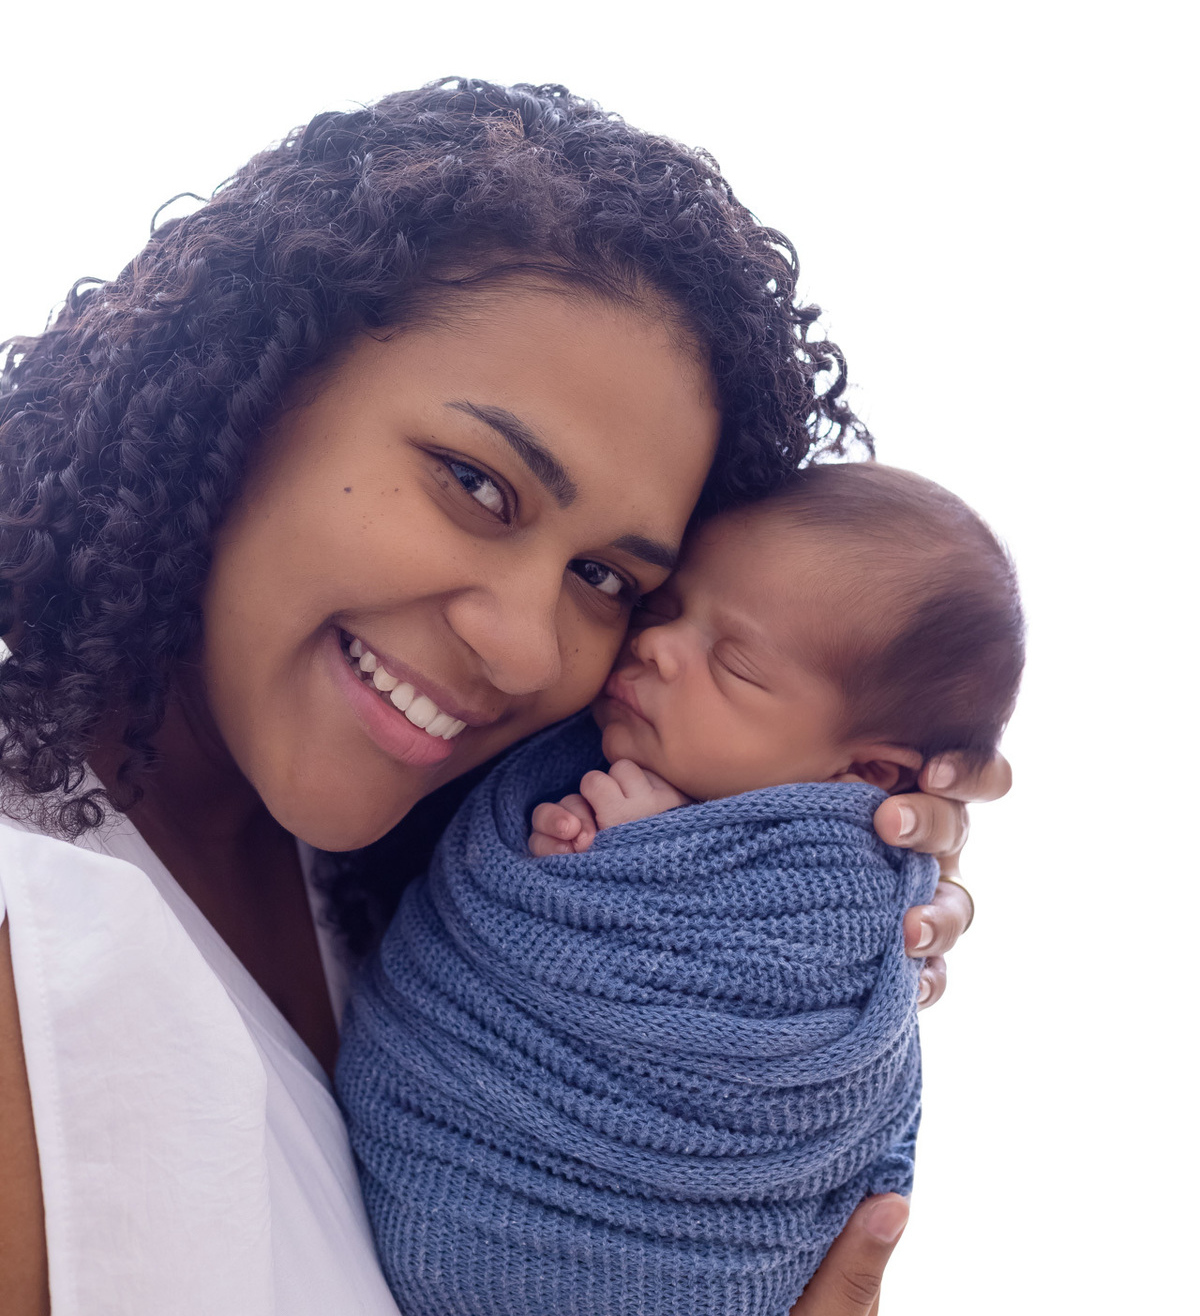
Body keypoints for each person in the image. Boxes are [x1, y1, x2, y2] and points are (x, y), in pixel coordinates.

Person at [0, 80, 1006, 1316]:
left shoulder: (446, 920)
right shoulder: (37, 933)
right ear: (250, 391)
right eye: (476, 485)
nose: (529, 650)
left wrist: (812, 888)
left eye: (607, 579)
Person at [337, 461, 1023, 1314]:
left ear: (866, 774)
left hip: (667, 1260)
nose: (655, 646)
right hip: (452, 1151)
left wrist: (633, 868)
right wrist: (596, 871)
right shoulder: (560, 750)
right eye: (663, 609)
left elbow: (775, 1029)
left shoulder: (846, 900)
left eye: (733, 664)